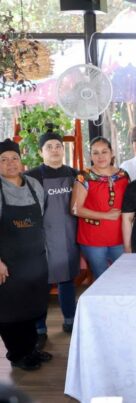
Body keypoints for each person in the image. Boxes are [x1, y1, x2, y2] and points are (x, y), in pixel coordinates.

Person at [0, 139, 52, 371]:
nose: (10, 163)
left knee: (31, 307)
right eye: (3, 160)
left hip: (34, 260)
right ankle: (17, 354)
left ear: (21, 161)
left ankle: (31, 349)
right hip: (8, 264)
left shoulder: (33, 185)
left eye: (14, 158)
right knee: (10, 311)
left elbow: (40, 217)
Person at [25, 131, 79, 347]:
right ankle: (39, 329)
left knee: (67, 280)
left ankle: (70, 321)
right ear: (41, 152)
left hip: (70, 237)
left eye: (58, 146)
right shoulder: (31, 177)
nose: (55, 150)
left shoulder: (75, 174)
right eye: (49, 147)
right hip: (42, 240)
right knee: (42, 285)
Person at [71, 137, 129, 279]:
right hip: (93, 239)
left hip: (120, 236)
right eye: (95, 153)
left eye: (104, 151)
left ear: (112, 153)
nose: (100, 156)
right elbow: (75, 209)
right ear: (90, 156)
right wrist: (106, 215)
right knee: (101, 278)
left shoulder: (123, 175)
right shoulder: (84, 177)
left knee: (125, 276)